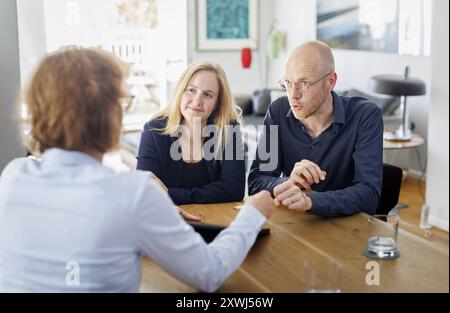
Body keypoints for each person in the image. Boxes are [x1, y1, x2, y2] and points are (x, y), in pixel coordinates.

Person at [0, 47, 273, 292]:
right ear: (108, 115)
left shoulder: (12, 178)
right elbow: (210, 273)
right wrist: (252, 215)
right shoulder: (133, 194)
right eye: (122, 103)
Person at [248, 41, 383, 217]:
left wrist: (311, 201)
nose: (293, 95)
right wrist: (288, 182)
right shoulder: (277, 111)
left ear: (331, 82)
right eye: (288, 83)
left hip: (347, 230)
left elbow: (369, 195)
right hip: (294, 225)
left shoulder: (365, 116)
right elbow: (256, 182)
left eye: (304, 83)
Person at [137, 60, 245, 205]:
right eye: (191, 90)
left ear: (217, 103)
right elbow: (146, 193)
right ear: (181, 92)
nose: (197, 100)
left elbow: (233, 190)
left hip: (216, 222)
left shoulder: (229, 129)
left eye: (207, 94)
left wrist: (170, 194)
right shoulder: (153, 130)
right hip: (166, 221)